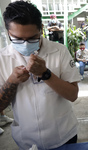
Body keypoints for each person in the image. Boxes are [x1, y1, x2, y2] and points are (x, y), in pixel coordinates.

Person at [1, 1, 79, 149]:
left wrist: (46, 74)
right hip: (26, 139)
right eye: (17, 39)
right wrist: (12, 81)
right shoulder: (2, 58)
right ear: (8, 33)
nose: (25, 44)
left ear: (41, 29)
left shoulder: (60, 51)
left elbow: (73, 95)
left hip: (63, 136)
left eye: (32, 38)